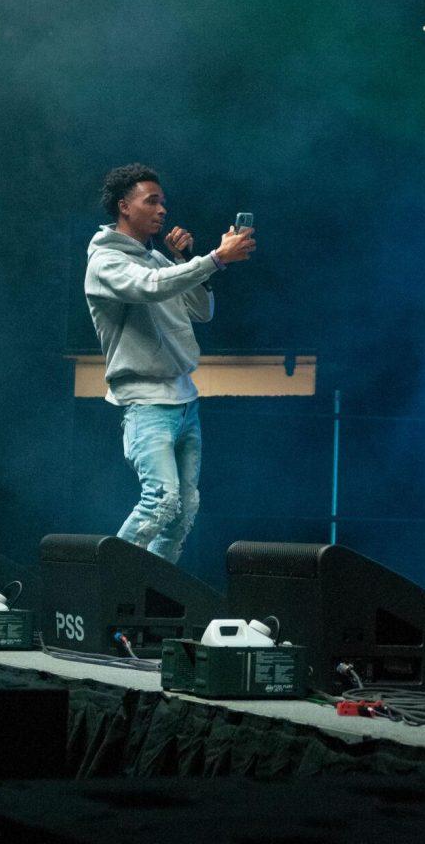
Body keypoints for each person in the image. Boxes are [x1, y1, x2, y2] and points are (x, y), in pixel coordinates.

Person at [85, 163, 255, 563]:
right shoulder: (105, 262)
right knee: (159, 501)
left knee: (182, 513)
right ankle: (107, 590)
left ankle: (152, 598)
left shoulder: (158, 260)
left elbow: (202, 309)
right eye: (152, 201)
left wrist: (186, 258)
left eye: (163, 202)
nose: (162, 210)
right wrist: (215, 258)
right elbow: (149, 288)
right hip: (146, 402)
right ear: (124, 206)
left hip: (183, 398)